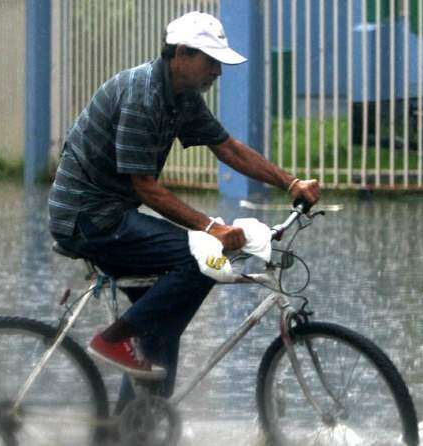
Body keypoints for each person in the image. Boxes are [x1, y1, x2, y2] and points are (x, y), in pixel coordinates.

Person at [48, 11, 320, 406]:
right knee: (202, 259)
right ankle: (113, 340)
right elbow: (146, 188)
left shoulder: (181, 97)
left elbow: (227, 147)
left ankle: (135, 425)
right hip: (89, 219)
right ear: (180, 55)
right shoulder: (143, 95)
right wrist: (212, 228)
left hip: (114, 214)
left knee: (163, 326)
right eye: (210, 61)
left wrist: (290, 183)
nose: (218, 72)